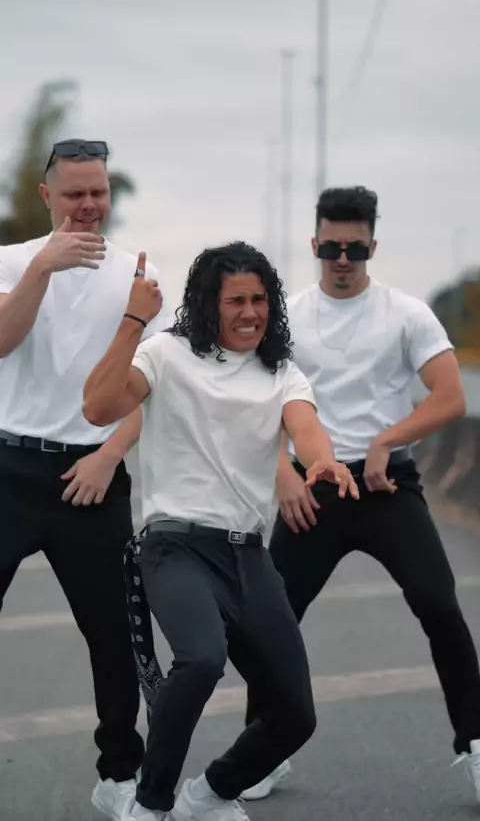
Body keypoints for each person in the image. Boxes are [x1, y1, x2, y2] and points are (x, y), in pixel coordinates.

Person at [82, 241, 359, 821]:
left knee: (296, 714)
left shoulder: (281, 373)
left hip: (249, 556)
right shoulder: (165, 353)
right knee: (202, 658)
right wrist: (133, 319)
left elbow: (306, 429)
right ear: (210, 303)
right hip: (175, 545)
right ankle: (150, 804)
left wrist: (322, 463)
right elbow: (98, 407)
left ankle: (208, 793)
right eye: (236, 301)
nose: (250, 312)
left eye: (260, 300)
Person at [241, 185, 480, 805]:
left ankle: (477, 741)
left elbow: (450, 397)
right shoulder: (289, 317)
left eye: (354, 248)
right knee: (272, 620)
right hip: (312, 490)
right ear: (313, 243)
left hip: (386, 487)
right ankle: (261, 751)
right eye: (331, 247)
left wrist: (387, 439)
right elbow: (255, 407)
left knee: (439, 605)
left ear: (373, 247)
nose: (342, 259)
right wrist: (284, 476)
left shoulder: (406, 314)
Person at [0, 139, 171, 821]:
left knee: (116, 634)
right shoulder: (12, 262)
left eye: (98, 191)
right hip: (8, 467)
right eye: (75, 193)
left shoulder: (138, 275)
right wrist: (42, 266)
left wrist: (109, 455)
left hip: (92, 475)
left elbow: (153, 387)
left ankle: (119, 776)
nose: (89, 205)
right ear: (48, 196)